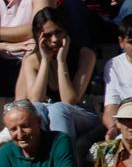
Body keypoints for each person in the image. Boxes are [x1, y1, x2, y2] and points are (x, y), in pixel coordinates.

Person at [16, 8, 101, 146]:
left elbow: (69, 100)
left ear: (66, 31)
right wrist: (45, 60)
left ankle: (65, 163)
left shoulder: (85, 55)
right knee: (37, 109)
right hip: (50, 114)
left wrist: (62, 61)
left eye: (58, 32)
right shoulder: (32, 60)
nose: (55, 40)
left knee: (59, 109)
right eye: (48, 35)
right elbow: (36, 100)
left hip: (82, 115)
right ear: (39, 37)